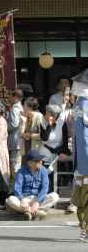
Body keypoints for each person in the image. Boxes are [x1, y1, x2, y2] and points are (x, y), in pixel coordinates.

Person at [6, 150, 59, 220]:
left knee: (55, 196)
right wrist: (22, 199)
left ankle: (28, 211)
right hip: (25, 198)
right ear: (30, 163)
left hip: (38, 198)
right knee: (10, 199)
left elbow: (45, 188)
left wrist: (37, 202)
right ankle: (36, 212)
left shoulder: (43, 171)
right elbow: (17, 188)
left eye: (41, 160)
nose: (41, 162)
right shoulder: (21, 171)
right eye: (38, 161)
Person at [68, 69, 88, 241]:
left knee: (83, 200)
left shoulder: (80, 105)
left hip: (82, 161)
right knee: (83, 200)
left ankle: (85, 229)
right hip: (83, 160)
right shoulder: (81, 105)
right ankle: (85, 230)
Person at [7, 89, 24, 176]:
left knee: (14, 167)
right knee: (17, 165)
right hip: (19, 140)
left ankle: (15, 187)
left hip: (15, 140)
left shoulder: (14, 109)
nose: (9, 98)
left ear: (15, 97)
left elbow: (14, 124)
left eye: (10, 96)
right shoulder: (21, 107)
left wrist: (5, 129)